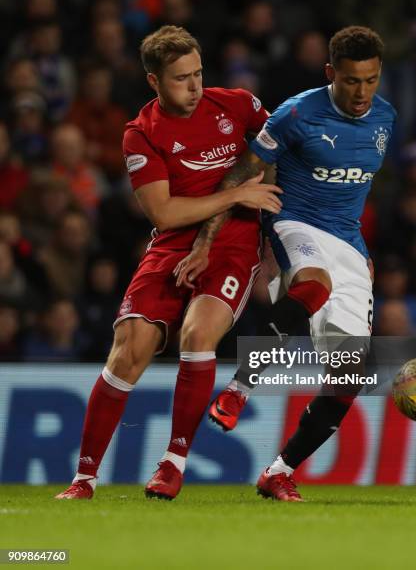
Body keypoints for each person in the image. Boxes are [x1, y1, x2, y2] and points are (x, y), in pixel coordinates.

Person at [55, 25, 281, 500]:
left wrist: (276, 234)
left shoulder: (238, 105)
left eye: (198, 73)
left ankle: (173, 464)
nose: (195, 86)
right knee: (129, 347)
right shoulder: (141, 135)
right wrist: (240, 191)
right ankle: (84, 479)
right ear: (154, 82)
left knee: (198, 335)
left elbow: (278, 152)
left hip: (234, 244)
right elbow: (164, 212)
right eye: (181, 78)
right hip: (172, 244)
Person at [175, 26, 396, 501]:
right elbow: (242, 172)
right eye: (353, 81)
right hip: (295, 223)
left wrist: (360, 255)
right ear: (330, 73)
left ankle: (278, 471)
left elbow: (356, 185)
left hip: (350, 246)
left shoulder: (385, 118)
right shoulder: (297, 113)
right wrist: (206, 242)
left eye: (371, 80)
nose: (362, 93)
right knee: (313, 286)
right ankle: (240, 387)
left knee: (349, 377)